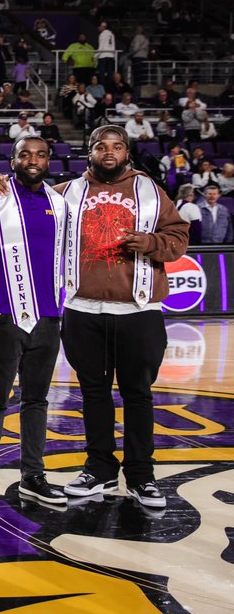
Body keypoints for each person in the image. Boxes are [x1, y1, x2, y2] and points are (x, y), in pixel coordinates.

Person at [51, 125, 187, 507]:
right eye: (100, 146)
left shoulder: (150, 191)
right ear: (89, 151)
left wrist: (153, 243)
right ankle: (99, 470)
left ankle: (142, 476)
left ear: (126, 152)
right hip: (83, 310)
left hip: (138, 311)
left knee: (138, 395)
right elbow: (29, 209)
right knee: (94, 394)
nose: (108, 152)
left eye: (116, 146)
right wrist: (0, 184)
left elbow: (179, 235)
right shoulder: (67, 193)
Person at [0, 135, 69, 508]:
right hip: (2, 316)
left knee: (37, 400)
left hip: (47, 318)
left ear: (49, 161)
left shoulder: (59, 203)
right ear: (11, 161)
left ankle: (33, 476)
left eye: (41, 155)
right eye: (25, 155)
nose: (33, 160)